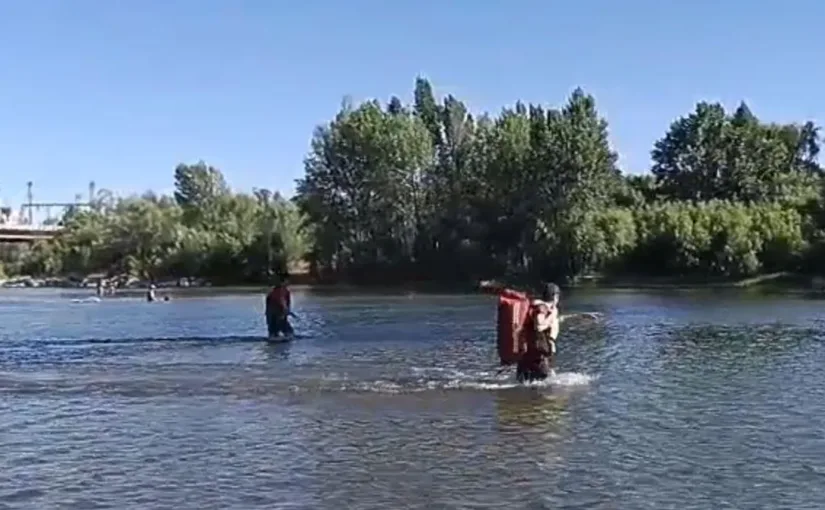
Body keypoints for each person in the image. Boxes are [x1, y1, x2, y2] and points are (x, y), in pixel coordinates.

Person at [265, 273, 294, 338]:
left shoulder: (275, 290)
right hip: (276, 314)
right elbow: (281, 299)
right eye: (287, 280)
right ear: (283, 281)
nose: (289, 282)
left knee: (274, 332)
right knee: (288, 332)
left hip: (273, 314)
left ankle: (275, 339)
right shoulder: (280, 290)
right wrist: (286, 309)